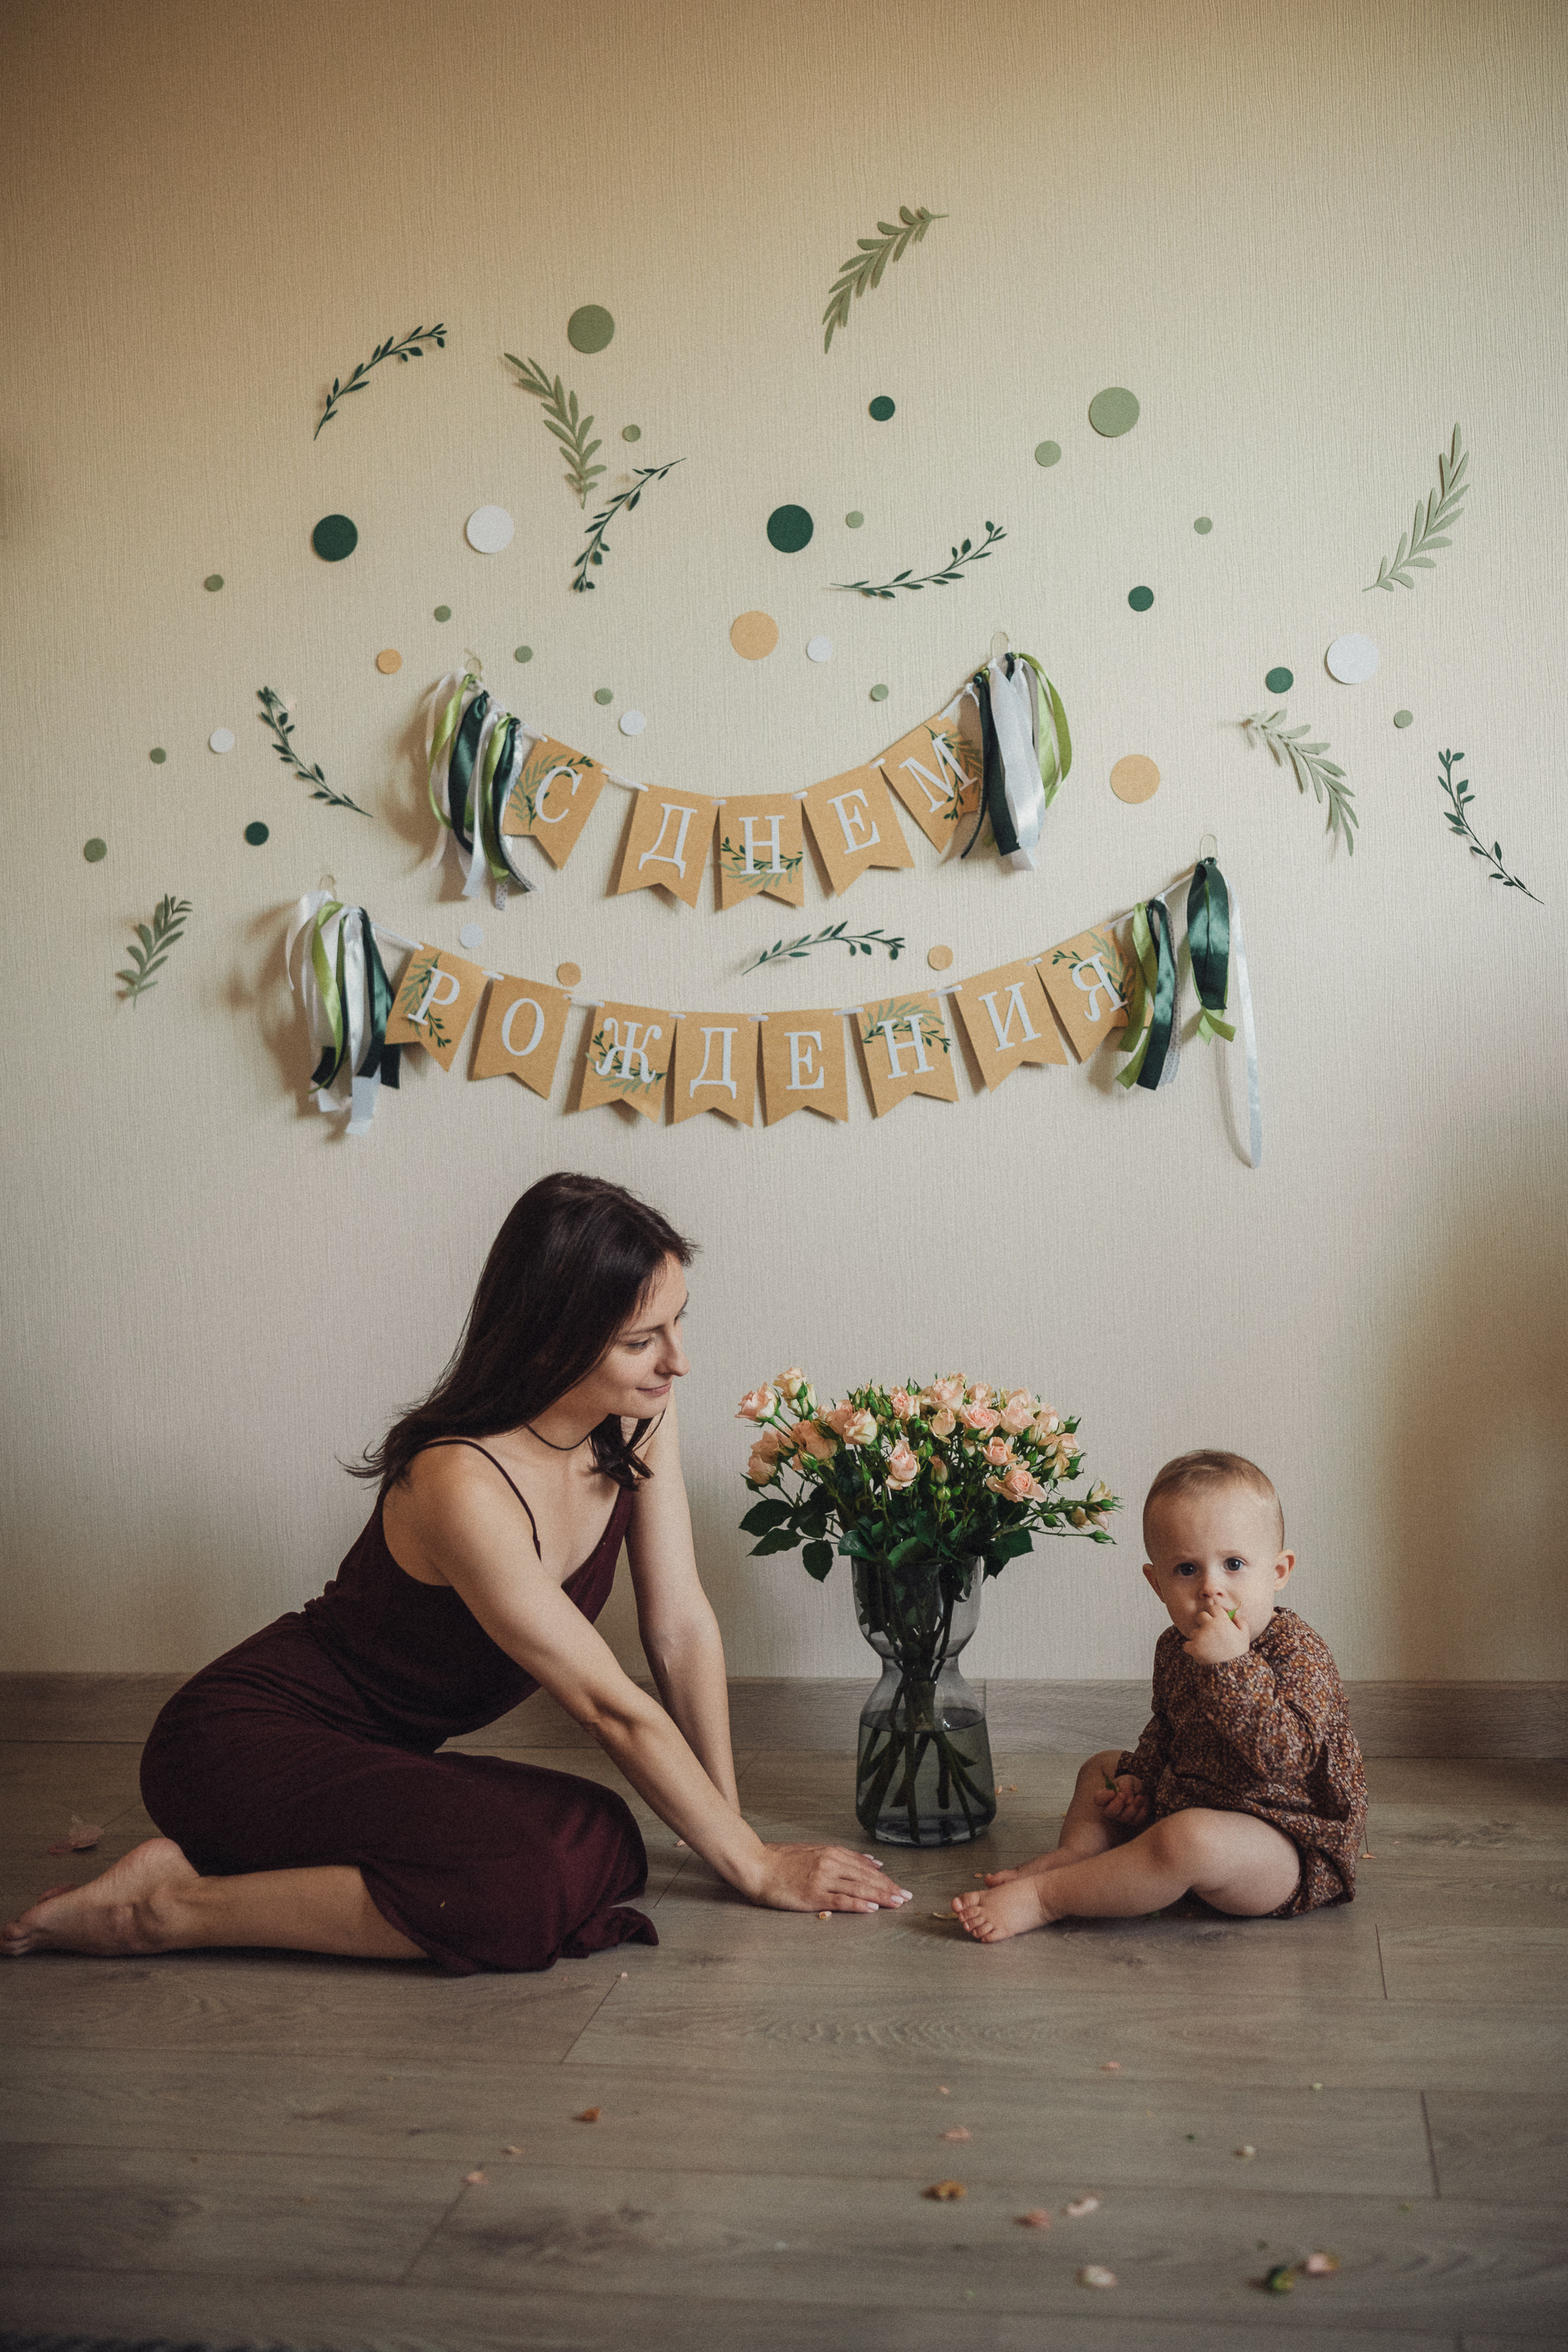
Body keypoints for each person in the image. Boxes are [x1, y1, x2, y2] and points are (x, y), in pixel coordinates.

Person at [5, 1173, 909, 1969]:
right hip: (238, 1743)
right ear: (554, 1340)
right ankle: (162, 1910)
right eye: (645, 1340)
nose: (680, 1361)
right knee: (517, 1884)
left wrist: (732, 1830)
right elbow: (603, 1705)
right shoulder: (460, 1481)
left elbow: (677, 1626)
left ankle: (208, 1866)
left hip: (376, 1757)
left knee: (606, 1837)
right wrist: (753, 1866)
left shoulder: (638, 1417)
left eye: (678, 1323)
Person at [950, 1449, 1365, 1943]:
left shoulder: (1299, 1652)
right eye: (1187, 1570)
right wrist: (1140, 1779)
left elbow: (1287, 1760)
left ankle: (1049, 1897)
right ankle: (1078, 1859)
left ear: (1278, 1571)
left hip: (1283, 1843)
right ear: (1157, 1583)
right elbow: (1166, 1728)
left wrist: (1232, 1667)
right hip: (1189, 1798)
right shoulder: (1175, 1646)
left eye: (1234, 1564)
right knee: (1101, 1768)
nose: (1212, 1589)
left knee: (1186, 1839)